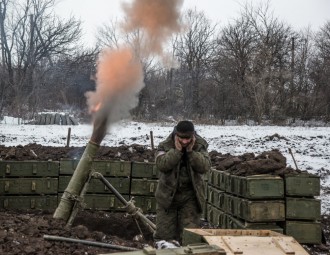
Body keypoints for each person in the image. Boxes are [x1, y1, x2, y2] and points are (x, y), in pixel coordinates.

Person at [153, 120, 211, 248]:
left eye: (188, 138)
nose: (185, 142)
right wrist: (177, 151)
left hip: (191, 197)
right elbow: (162, 165)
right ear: (176, 135)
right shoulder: (165, 145)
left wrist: (191, 153)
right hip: (167, 197)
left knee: (190, 238)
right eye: (182, 138)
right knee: (164, 238)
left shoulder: (200, 145)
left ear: (193, 136)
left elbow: (205, 166)